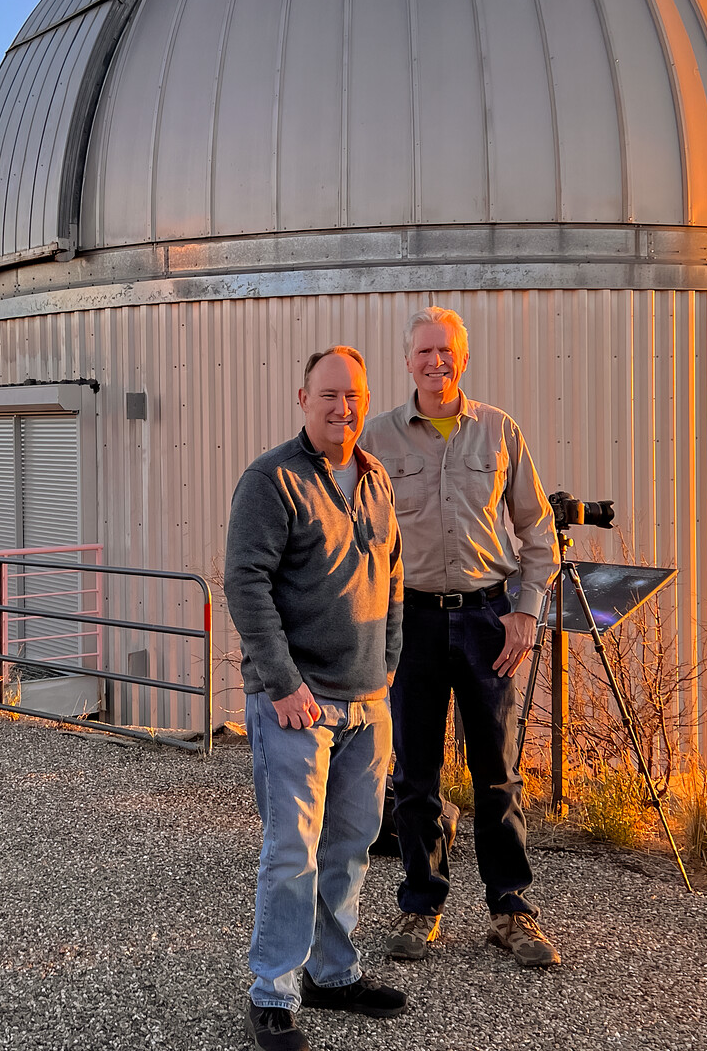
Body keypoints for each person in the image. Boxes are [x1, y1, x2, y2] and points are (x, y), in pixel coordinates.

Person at [358, 307, 562, 968]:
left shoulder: (499, 431)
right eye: (424, 352)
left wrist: (526, 612)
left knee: (497, 775)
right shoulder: (378, 438)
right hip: (409, 621)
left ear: (462, 358)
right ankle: (420, 905)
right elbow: (352, 537)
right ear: (408, 360)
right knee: (415, 778)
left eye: (445, 351)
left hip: (486, 621)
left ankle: (511, 911)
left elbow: (537, 532)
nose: (435, 362)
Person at [224, 346, 409, 1051]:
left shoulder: (374, 477)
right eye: (329, 395)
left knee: (351, 847)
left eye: (354, 396)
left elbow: (393, 573)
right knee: (291, 853)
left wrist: (387, 665)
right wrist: (284, 685)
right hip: (299, 705)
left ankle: (334, 975)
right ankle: (273, 992)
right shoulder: (272, 480)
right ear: (303, 398)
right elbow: (246, 583)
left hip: (367, 702)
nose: (343, 408)